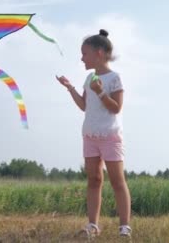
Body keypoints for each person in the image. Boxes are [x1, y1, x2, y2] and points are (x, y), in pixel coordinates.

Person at [56, 29, 132, 238]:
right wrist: (70, 87)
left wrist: (100, 91)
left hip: (110, 137)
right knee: (94, 180)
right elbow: (83, 105)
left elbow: (116, 108)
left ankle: (124, 226)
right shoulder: (90, 78)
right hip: (89, 136)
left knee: (117, 181)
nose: (82, 58)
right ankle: (93, 225)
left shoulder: (115, 78)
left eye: (85, 53)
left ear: (99, 53)